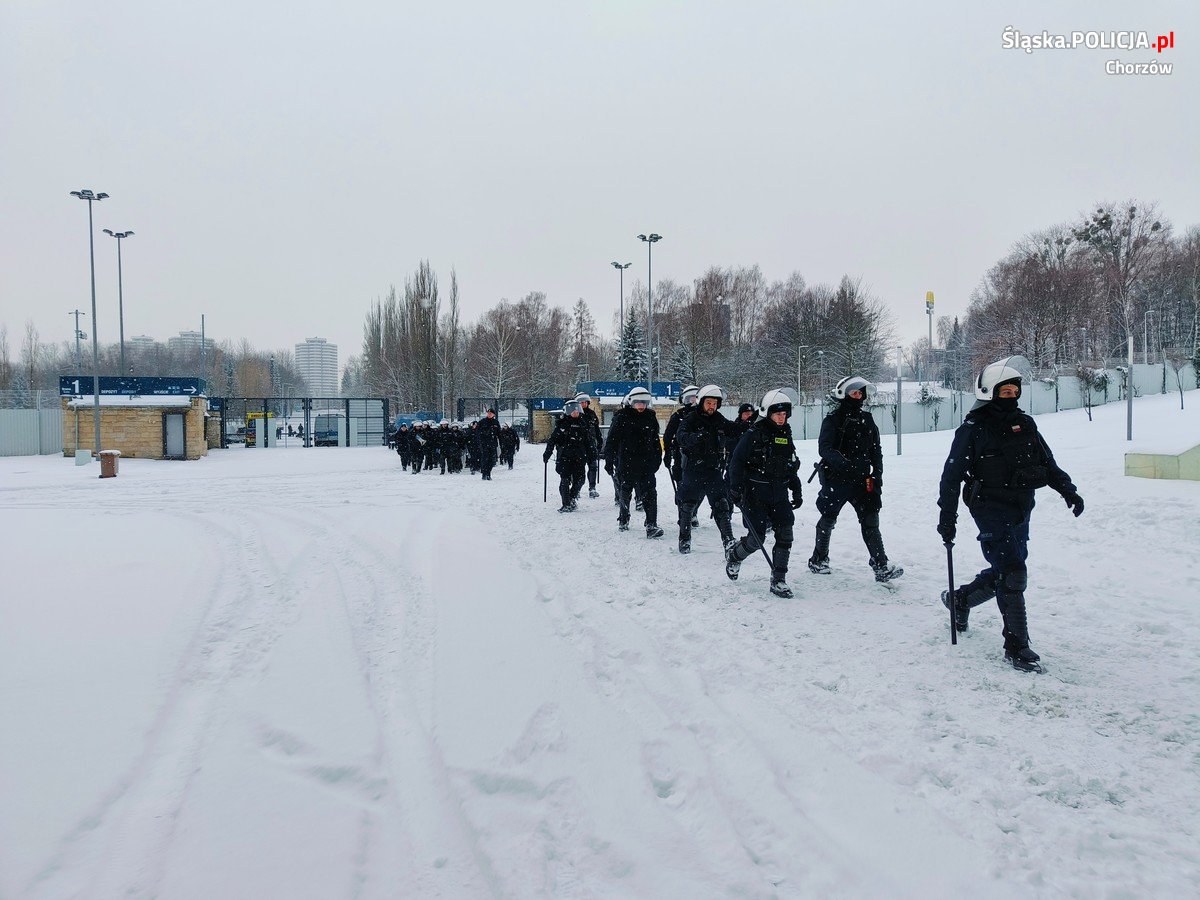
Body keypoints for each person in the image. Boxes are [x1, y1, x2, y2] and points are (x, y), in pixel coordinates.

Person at [937, 356, 1085, 673]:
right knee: (1013, 571)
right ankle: (1017, 646)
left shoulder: (1026, 424)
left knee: (1007, 570)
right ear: (989, 392)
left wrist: (1067, 490)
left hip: (1021, 505)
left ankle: (960, 600)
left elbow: (1047, 462)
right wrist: (946, 517)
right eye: (1005, 392)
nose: (1012, 396)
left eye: (1015, 391)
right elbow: (951, 476)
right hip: (988, 506)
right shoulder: (973, 430)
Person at [808, 375, 903, 583]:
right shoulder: (832, 420)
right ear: (844, 395)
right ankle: (819, 559)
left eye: (860, 393)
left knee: (870, 520)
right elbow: (824, 448)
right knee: (828, 517)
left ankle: (881, 565)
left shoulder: (867, 419)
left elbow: (876, 449)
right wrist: (843, 462)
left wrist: (877, 473)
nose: (858, 396)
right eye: (854, 393)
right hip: (837, 479)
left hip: (863, 480)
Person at [725, 389, 804, 598]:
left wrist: (796, 488)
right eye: (777, 413)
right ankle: (735, 555)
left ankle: (778, 579)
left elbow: (789, 464)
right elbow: (737, 461)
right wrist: (735, 488)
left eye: (784, 414)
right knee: (756, 539)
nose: (781, 417)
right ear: (767, 412)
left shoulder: (785, 434)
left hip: (779, 493)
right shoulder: (754, 433)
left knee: (785, 533)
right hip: (755, 493)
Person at [674, 384, 738, 554]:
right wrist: (694, 438)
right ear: (701, 402)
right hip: (693, 468)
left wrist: (750, 425)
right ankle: (685, 538)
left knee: (721, 505)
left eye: (715, 403)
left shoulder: (718, 419)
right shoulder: (691, 418)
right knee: (687, 505)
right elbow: (680, 436)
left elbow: (733, 429)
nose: (712, 406)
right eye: (709, 402)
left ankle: (728, 540)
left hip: (713, 469)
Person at [603, 387, 665, 537]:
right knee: (625, 492)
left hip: (647, 463)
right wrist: (609, 460)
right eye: (638, 402)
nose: (641, 406)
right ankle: (623, 518)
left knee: (650, 494)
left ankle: (651, 524)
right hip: (626, 461)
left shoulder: (650, 417)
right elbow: (612, 440)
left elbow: (656, 440)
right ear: (631, 402)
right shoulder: (622, 417)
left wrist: (657, 459)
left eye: (644, 402)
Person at [543, 400, 596, 511]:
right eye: (573, 411)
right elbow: (552, 440)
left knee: (580, 480)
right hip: (565, 457)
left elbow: (589, 442)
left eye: (577, 410)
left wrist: (592, 455)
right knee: (565, 480)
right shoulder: (562, 425)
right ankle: (566, 503)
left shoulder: (583, 424)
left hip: (580, 457)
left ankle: (572, 497)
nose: (575, 412)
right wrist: (548, 453)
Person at [662, 385, 700, 523]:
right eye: (690, 399)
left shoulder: (705, 416)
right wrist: (667, 452)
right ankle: (683, 514)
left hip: (701, 457)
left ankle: (693, 512)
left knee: (699, 488)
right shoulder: (678, 415)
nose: (693, 402)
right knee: (683, 486)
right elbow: (667, 436)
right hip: (681, 455)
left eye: (696, 398)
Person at [574, 392, 604, 498]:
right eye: (581, 402)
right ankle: (576, 489)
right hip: (579, 446)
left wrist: (599, 441)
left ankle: (592, 488)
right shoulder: (575, 414)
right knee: (578, 469)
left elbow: (596, 429)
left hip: (591, 444)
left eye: (585, 402)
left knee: (593, 467)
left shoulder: (591, 414)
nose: (583, 404)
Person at [475, 408, 502, 480]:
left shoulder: (496, 422)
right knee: (485, 459)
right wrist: (480, 441)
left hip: (493, 444)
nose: (489, 414)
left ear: (493, 415)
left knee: (492, 460)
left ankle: (488, 472)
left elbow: (499, 434)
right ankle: (485, 474)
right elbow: (477, 432)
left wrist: (501, 443)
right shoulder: (482, 422)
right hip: (484, 444)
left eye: (491, 413)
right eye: (488, 413)